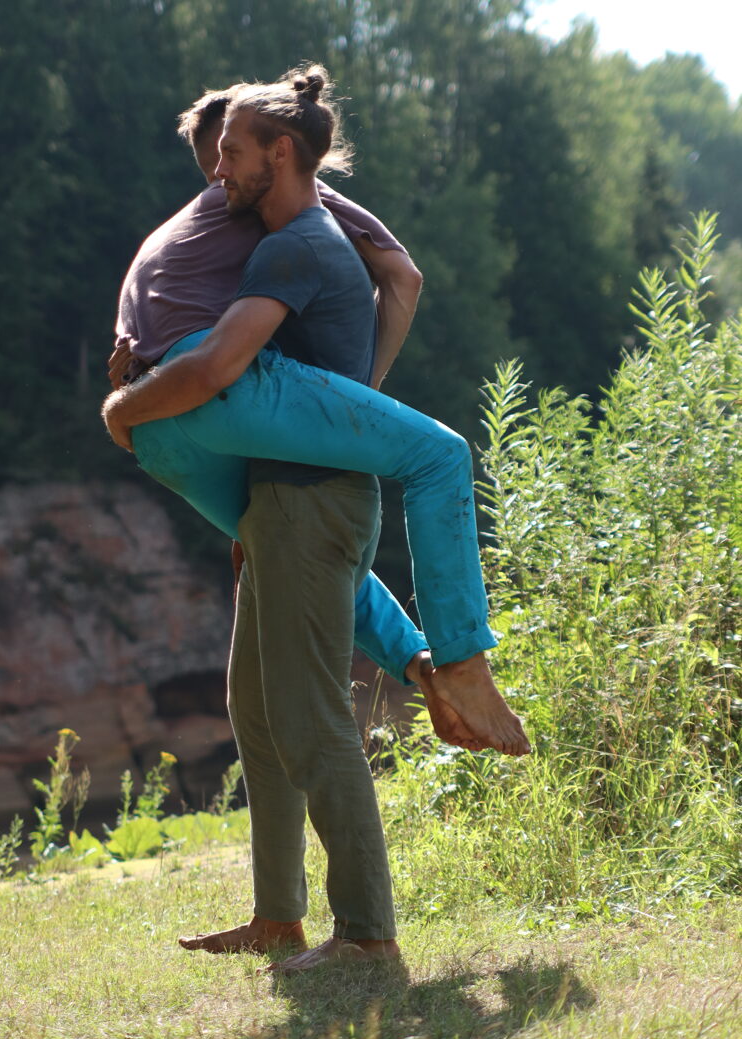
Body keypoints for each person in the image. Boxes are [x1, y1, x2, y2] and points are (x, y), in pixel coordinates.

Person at [102, 67, 528, 972]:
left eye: (229, 154)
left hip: (312, 493)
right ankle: (278, 916)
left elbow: (223, 363)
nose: (216, 174)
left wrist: (129, 405)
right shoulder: (270, 240)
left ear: (282, 151)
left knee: (308, 718)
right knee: (257, 714)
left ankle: (367, 934)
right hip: (283, 490)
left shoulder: (297, 242)